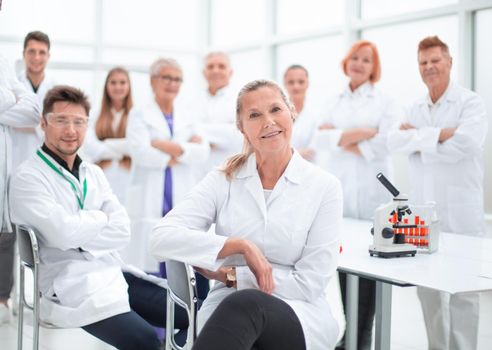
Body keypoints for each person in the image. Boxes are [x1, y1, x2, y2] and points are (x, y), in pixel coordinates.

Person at [150, 79, 343, 350]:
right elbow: (160, 237)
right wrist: (238, 246)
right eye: (254, 115)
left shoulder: (324, 187)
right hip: (226, 315)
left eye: (275, 109)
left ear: (292, 112)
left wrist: (234, 277)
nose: (268, 122)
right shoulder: (224, 179)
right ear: (241, 127)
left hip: (297, 313)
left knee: (244, 302)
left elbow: (309, 284)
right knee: (238, 307)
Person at [9, 85, 188, 349]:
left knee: (191, 314)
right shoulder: (29, 178)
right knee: (145, 340)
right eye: (61, 120)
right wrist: (99, 218)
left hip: (110, 273)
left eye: (78, 122)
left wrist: (80, 226)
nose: (71, 130)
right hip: (69, 284)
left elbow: (122, 230)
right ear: (43, 123)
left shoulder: (93, 173)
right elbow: (62, 234)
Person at [388, 36, 488, 350]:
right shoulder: (413, 106)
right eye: (423, 62)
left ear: (449, 62)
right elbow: (394, 143)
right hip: (423, 211)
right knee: (426, 287)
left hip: (462, 209)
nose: (429, 67)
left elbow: (469, 143)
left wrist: (418, 141)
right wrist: (442, 137)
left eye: (435, 60)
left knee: (463, 288)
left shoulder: (469, 101)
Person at [314, 40, 400, 349]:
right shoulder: (332, 100)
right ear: (346, 62)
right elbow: (319, 138)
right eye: (355, 58)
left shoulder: (385, 101)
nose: (359, 64)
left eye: (366, 60)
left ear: (373, 67)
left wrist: (340, 139)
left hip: (371, 198)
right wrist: (364, 133)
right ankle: (350, 333)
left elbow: (387, 142)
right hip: (342, 195)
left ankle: (361, 336)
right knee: (345, 263)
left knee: (371, 268)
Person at [124, 58, 210, 272]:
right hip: (151, 191)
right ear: (153, 81)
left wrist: (165, 146)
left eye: (177, 79)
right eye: (167, 78)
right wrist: (183, 150)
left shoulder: (188, 114)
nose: (173, 83)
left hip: (181, 189)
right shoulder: (139, 113)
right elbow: (140, 152)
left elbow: (203, 151)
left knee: (181, 248)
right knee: (150, 259)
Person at [0, 54, 40, 325]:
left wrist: (10, 99)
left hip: (8, 172)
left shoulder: (3, 60)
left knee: (5, 238)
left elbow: (33, 112)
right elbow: (16, 104)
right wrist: (11, 97)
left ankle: (3, 296)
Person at [84, 67, 133, 203]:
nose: (118, 87)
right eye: (113, 82)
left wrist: (106, 144)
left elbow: (135, 147)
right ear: (107, 86)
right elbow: (90, 147)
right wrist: (123, 149)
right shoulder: (95, 114)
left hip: (128, 179)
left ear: (129, 86)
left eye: (122, 82)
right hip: (101, 177)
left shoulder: (136, 115)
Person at [192, 51, 242, 174]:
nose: (215, 70)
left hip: (230, 171)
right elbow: (185, 133)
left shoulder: (241, 99)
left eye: (221, 66)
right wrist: (218, 137)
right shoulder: (191, 101)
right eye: (210, 67)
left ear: (230, 72)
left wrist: (201, 138)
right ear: (204, 73)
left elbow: (237, 135)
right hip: (197, 172)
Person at [12, 31, 54, 170]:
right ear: (24, 54)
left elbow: (56, 127)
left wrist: (23, 120)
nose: (36, 57)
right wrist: (42, 122)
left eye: (42, 52)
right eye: (32, 51)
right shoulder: (10, 86)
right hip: (15, 160)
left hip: (46, 163)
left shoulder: (56, 90)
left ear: (48, 56)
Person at [283, 64, 319, 161]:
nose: (296, 86)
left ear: (307, 84)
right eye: (291, 82)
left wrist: (287, 153)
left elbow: (313, 151)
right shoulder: (276, 114)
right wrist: (299, 152)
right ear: (284, 84)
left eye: (301, 82)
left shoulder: (317, 115)